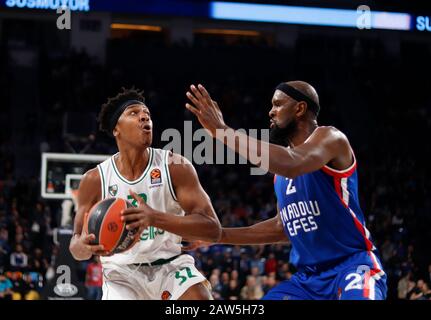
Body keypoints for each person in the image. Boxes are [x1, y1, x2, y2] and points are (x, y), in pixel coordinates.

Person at [184, 82, 387, 300]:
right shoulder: (280, 176)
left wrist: (222, 131)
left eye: (278, 104)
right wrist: (218, 235)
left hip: (351, 266)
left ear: (300, 109)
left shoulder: (331, 138)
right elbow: (282, 228)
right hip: (307, 281)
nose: (270, 111)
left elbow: (292, 163)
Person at [69, 87, 222, 300]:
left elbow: (213, 229)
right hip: (121, 273)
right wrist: (84, 247)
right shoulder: (95, 179)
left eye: (147, 114)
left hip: (170, 267)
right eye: (133, 113)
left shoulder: (175, 166)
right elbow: (75, 245)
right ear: (116, 129)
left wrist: (154, 218)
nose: (144, 116)